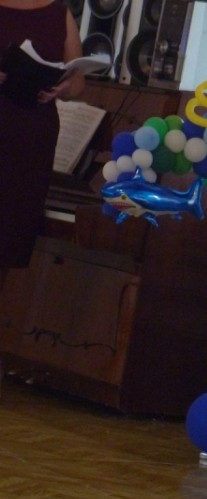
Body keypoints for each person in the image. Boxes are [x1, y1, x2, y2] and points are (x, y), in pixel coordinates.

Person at [0, 0, 85, 291]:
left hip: (31, 141)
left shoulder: (59, 12)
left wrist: (65, 86)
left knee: (7, 244)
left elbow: (78, 83)